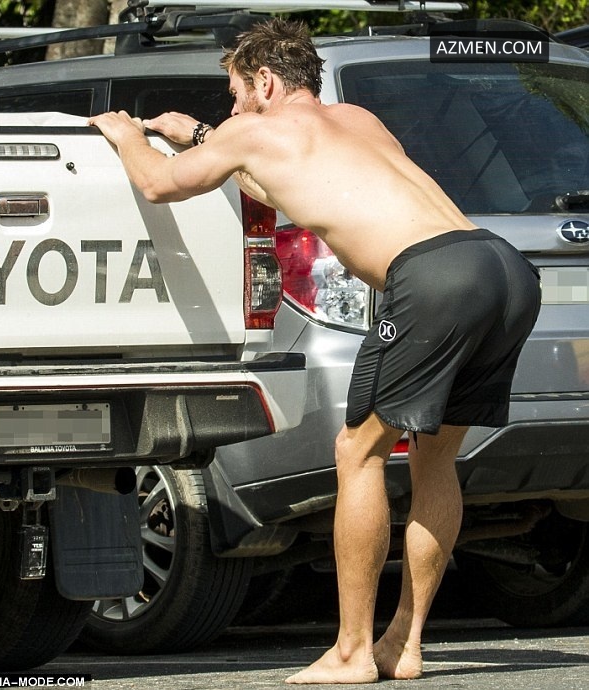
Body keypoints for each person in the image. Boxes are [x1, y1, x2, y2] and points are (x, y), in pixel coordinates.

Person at [88, 18, 541, 684]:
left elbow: (158, 183)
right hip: (503, 269)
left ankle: (353, 652)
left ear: (265, 82)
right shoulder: (357, 119)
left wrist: (126, 134)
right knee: (435, 459)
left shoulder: (251, 132)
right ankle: (403, 643)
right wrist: (209, 136)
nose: (234, 110)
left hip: (433, 280)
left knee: (357, 452)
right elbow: (288, 182)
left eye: (236, 94)